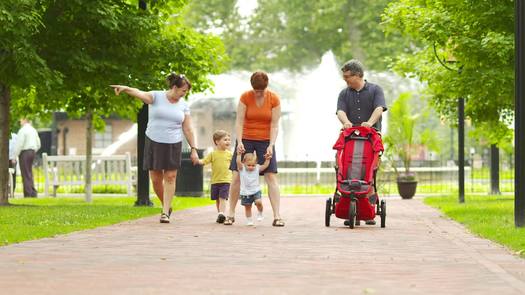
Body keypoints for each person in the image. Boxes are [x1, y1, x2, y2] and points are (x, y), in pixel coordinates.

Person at [110, 73, 199, 224]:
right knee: (156, 180)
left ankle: (165, 212)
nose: (185, 94)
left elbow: (188, 128)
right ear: (175, 87)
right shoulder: (156, 97)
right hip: (154, 142)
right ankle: (167, 205)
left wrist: (194, 148)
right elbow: (139, 93)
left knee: (170, 177)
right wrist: (125, 89)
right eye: (183, 91)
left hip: (173, 143)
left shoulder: (183, 105)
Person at [225, 71, 284, 227]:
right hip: (246, 138)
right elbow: (239, 122)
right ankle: (230, 214)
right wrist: (239, 142)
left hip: (265, 139)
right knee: (237, 175)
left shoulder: (274, 99)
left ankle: (277, 216)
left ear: (266, 87)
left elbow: (274, 125)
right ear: (252, 87)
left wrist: (271, 145)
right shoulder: (245, 97)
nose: (258, 93)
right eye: (256, 90)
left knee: (271, 176)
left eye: (261, 91)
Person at [336, 59, 387, 225]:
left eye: (347, 77)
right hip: (351, 137)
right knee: (348, 169)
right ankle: (349, 207)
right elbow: (340, 111)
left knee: (369, 171)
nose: (345, 80)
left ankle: (368, 209)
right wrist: (345, 122)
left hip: (371, 137)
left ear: (357, 75)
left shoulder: (375, 90)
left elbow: (379, 108)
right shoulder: (344, 93)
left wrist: (370, 123)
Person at [197, 130, 233, 224]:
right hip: (215, 181)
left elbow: (235, 165)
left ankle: (222, 213)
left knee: (222, 198)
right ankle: (220, 214)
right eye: (225, 139)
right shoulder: (213, 154)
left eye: (229, 140)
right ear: (217, 141)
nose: (228, 141)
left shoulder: (230, 154)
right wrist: (197, 161)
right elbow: (204, 161)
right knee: (217, 199)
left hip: (226, 180)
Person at [236, 152, 270, 226]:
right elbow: (238, 162)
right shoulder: (242, 169)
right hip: (245, 192)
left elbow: (265, 166)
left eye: (253, 165)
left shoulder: (257, 168)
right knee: (248, 207)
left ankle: (260, 212)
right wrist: (238, 155)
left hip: (256, 190)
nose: (251, 167)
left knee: (258, 202)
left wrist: (267, 159)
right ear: (244, 163)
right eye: (249, 165)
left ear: (256, 164)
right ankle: (249, 220)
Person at [15, 119, 41, 198]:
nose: (20, 121)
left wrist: (15, 155)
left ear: (24, 120)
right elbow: (38, 144)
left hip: (24, 153)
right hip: (32, 152)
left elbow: (20, 144)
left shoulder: (22, 130)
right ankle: (33, 192)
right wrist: (33, 150)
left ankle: (28, 193)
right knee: (29, 172)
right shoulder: (33, 130)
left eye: (21, 120)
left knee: (25, 173)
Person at [8, 132, 17, 197]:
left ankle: (12, 192)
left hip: (11, 159)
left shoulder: (14, 136)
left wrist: (14, 157)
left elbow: (16, 148)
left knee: (13, 176)